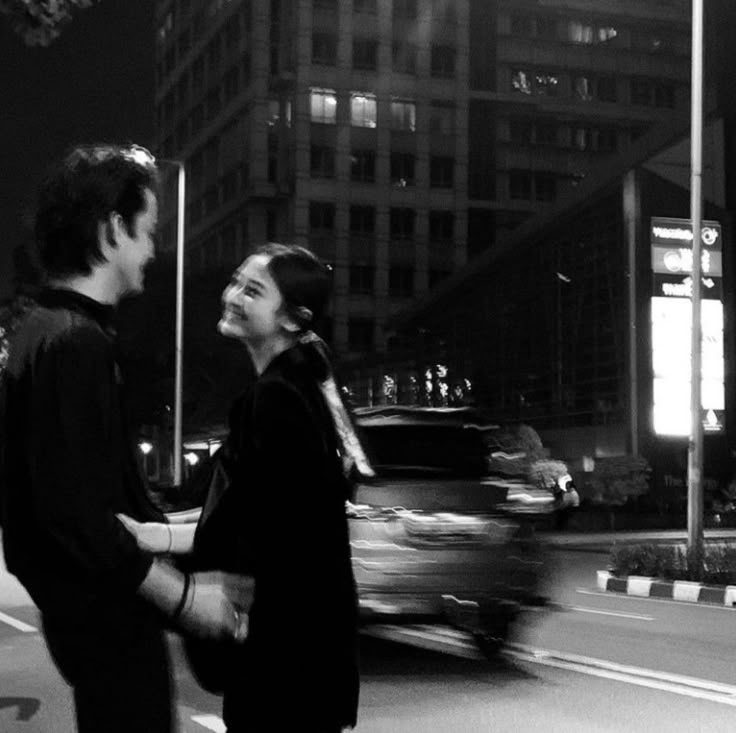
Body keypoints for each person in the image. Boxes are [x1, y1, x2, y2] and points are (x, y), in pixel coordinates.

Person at [0, 143, 248, 733]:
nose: (153, 249)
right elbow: (79, 517)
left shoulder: (36, 332)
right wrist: (186, 601)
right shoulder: (75, 342)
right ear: (113, 229)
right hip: (107, 622)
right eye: (147, 230)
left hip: (77, 619)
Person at [120, 243, 364, 732]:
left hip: (284, 655)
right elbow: (243, 502)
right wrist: (159, 530)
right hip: (312, 651)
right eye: (236, 281)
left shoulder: (276, 399)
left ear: (293, 319)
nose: (232, 295)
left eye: (253, 291)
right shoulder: (302, 386)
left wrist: (152, 542)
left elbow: (252, 526)